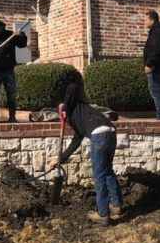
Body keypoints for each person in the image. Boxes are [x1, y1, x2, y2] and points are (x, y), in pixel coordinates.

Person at [49, 83, 122, 226]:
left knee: (99, 175)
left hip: (99, 136)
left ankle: (103, 214)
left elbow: (72, 89)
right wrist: (60, 159)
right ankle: (117, 205)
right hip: (111, 132)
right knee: (108, 171)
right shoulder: (84, 109)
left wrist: (64, 110)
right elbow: (76, 140)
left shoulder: (70, 110)